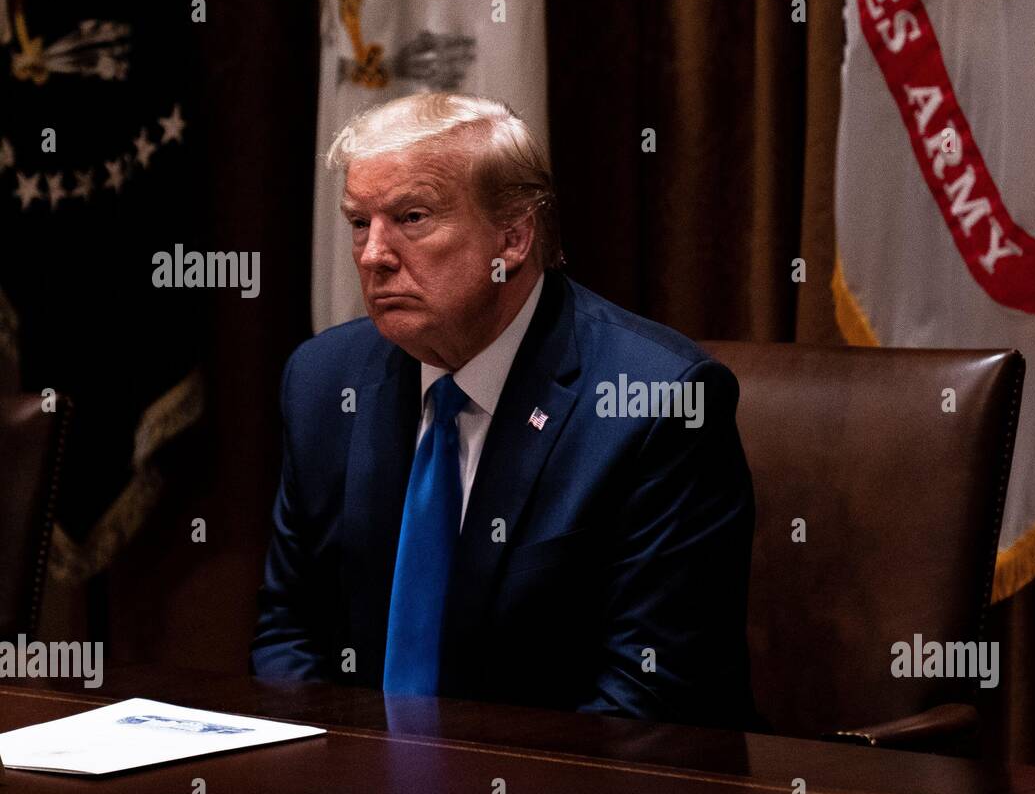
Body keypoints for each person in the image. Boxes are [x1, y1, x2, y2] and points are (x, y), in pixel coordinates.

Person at [251, 92, 758, 730]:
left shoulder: (658, 404)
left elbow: (648, 698)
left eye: (411, 217)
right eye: (359, 222)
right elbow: (289, 631)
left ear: (513, 238)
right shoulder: (323, 380)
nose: (374, 254)